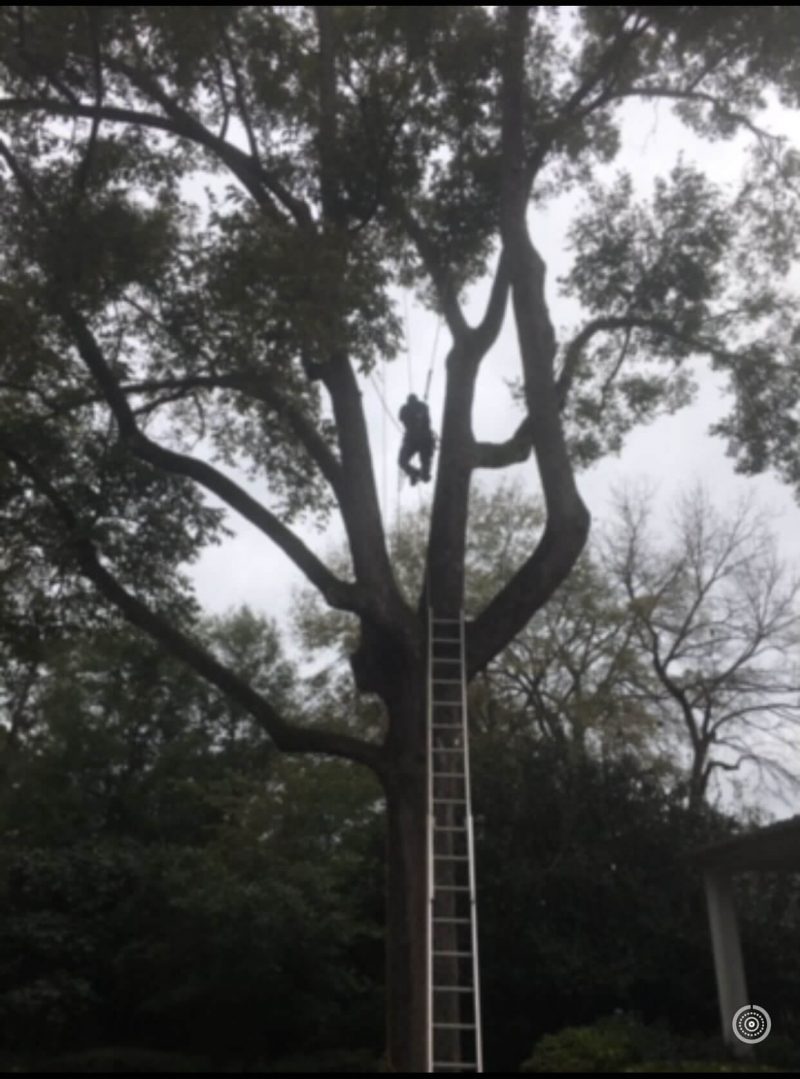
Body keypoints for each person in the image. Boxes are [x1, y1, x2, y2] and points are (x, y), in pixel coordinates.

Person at [398, 393, 435, 485]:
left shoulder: (421, 407)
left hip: (423, 439)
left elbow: (424, 417)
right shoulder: (408, 409)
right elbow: (402, 418)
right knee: (402, 461)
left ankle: (420, 474)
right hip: (415, 439)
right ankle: (416, 473)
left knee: (403, 461)